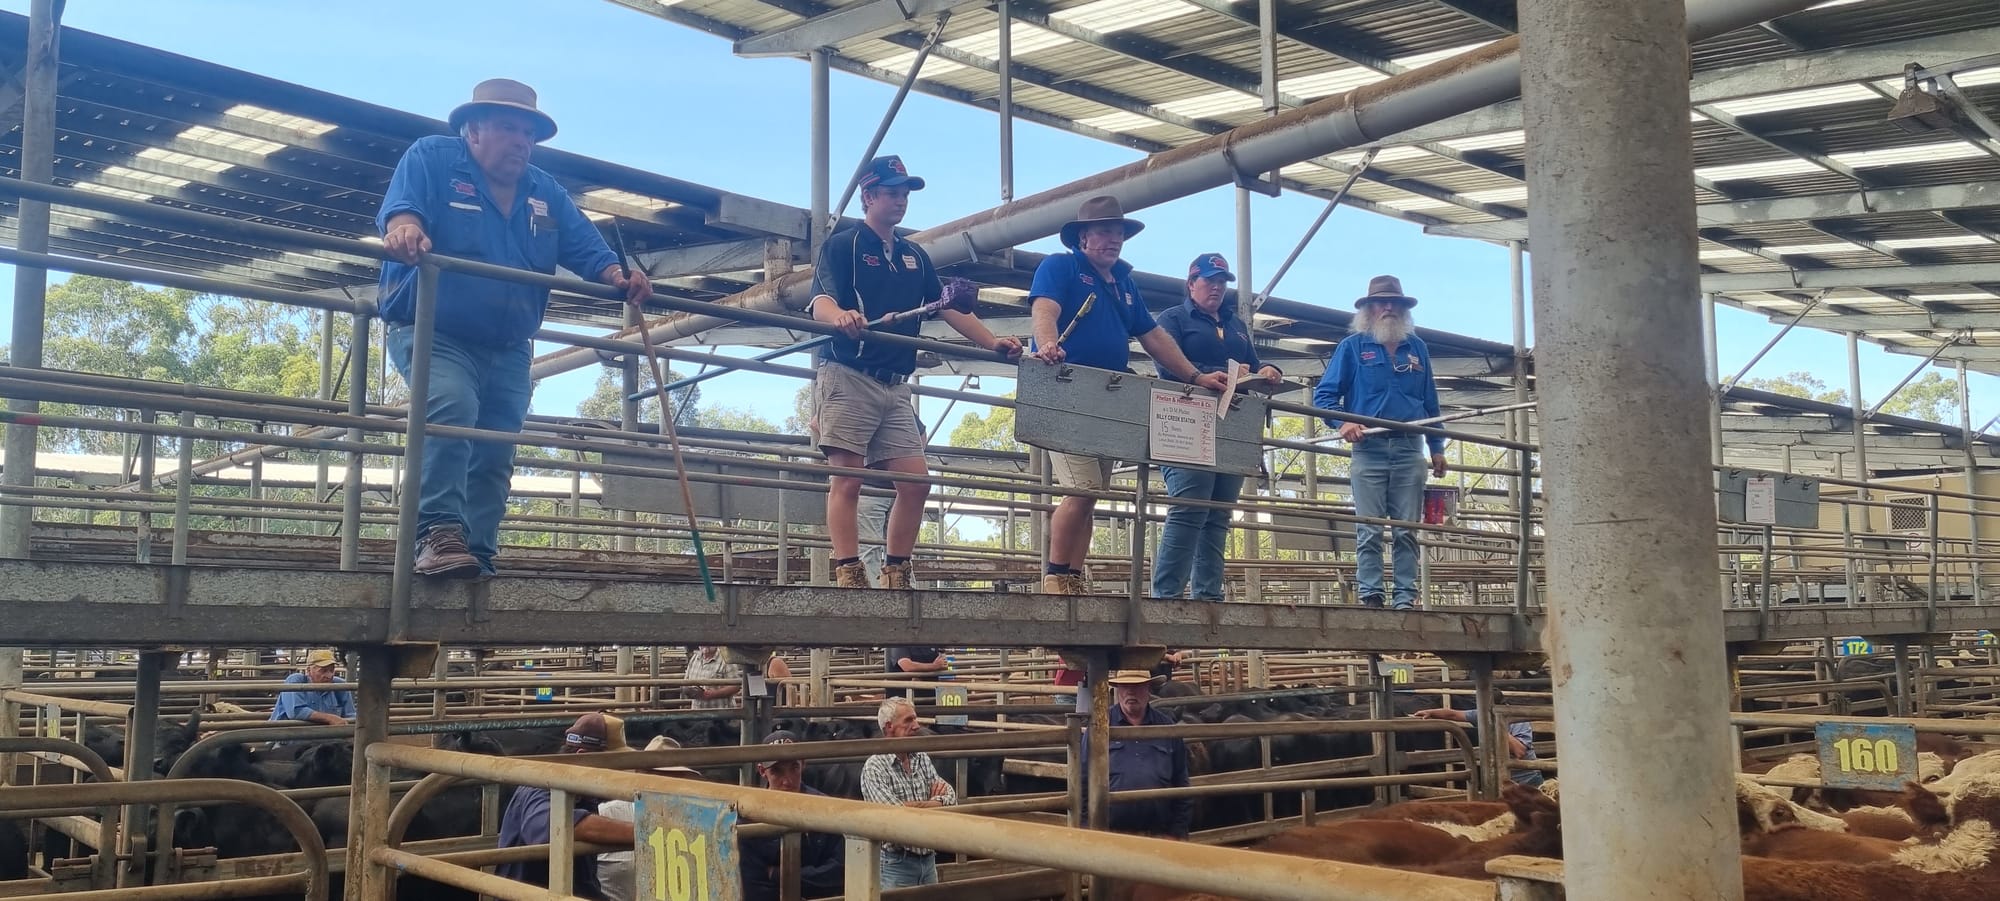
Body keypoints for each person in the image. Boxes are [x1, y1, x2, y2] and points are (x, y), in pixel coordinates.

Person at [376, 78, 654, 579]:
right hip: (434, 329)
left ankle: (477, 551)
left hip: (508, 345)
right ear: (472, 130)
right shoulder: (433, 159)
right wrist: (406, 230)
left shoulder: (544, 192)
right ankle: (437, 534)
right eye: (509, 127)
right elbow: (403, 211)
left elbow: (586, 246)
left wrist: (617, 274)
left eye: (528, 132)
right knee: (450, 410)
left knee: (498, 444)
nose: (522, 142)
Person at [808, 155, 1020, 590]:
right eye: (892, 192)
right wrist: (841, 315)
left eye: (905, 193)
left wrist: (993, 343)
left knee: (916, 481)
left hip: (895, 383)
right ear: (868, 197)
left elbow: (950, 307)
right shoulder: (844, 244)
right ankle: (848, 569)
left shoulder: (913, 255)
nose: (900, 200)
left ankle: (896, 569)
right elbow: (820, 300)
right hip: (850, 372)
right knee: (848, 477)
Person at [1026, 196, 1229, 595]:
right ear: (1082, 237)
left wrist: (1193, 375)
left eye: (1118, 233)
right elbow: (1044, 310)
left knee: (1093, 492)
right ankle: (1054, 575)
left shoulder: (1123, 283)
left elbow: (1152, 335)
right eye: (1104, 232)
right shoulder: (1061, 266)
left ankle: (1072, 576)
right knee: (1083, 488)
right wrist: (1047, 344)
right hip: (1067, 388)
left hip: (1108, 396)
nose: (1113, 240)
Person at [1149, 253, 1283, 602]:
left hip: (1231, 423)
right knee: (1190, 505)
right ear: (1192, 284)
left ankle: (1208, 595)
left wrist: (1266, 371)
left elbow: (1251, 364)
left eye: (1222, 281)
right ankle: (1167, 595)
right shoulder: (1173, 319)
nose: (1218, 287)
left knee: (1220, 512)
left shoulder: (1236, 324)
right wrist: (1205, 374)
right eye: (1210, 280)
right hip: (1187, 418)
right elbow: (1166, 366)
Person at [1312, 275, 1447, 610]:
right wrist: (1343, 421)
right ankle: (1371, 593)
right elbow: (1324, 397)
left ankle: (1405, 596)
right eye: (1381, 302)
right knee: (1369, 528)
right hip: (1369, 448)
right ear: (1369, 309)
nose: (1388, 307)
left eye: (1395, 302)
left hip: (1408, 447)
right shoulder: (1352, 348)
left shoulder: (1417, 348)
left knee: (1406, 529)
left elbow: (1430, 402)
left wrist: (1437, 447)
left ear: (1403, 308)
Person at [496, 713, 634, 897]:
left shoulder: (584, 796)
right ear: (583, 757)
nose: (617, 774)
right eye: (612, 766)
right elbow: (552, 824)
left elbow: (585, 881)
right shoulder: (541, 785)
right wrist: (641, 833)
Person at [860, 697, 958, 887]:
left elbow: (951, 797)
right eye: (908, 721)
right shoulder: (874, 766)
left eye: (915, 719)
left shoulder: (920, 757)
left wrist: (914, 806)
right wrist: (933, 803)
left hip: (928, 859)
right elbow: (893, 815)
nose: (916, 725)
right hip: (896, 863)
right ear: (889, 727)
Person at [740, 730, 846, 901]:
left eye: (793, 768)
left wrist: (776, 875)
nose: (787, 781)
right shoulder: (749, 815)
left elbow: (839, 872)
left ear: (803, 764)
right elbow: (753, 884)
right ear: (762, 770)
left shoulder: (825, 807)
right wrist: (811, 878)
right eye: (776, 771)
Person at [595, 735, 704, 901]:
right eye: (659, 775)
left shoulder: (696, 820)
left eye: (678, 777)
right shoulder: (606, 814)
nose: (669, 783)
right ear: (640, 774)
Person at [1088, 670, 1192, 839]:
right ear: (1117, 689)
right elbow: (1083, 780)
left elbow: (1181, 783)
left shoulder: (1167, 727)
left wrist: (1175, 832)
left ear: (1148, 688)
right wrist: (1089, 830)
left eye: (1137, 686)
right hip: (1110, 834)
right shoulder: (1099, 725)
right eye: (1125, 686)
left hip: (1159, 834)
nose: (1130, 692)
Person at [1412, 706, 1544, 787]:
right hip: (1498, 780)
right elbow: (1453, 714)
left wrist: (1495, 725)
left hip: (1526, 780)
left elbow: (1519, 751)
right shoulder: (1483, 713)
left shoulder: (1518, 720)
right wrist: (1430, 712)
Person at [269, 650, 355, 724]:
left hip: (328, 739)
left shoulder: (339, 686)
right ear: (309, 671)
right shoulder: (296, 680)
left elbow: (350, 715)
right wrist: (330, 718)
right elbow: (295, 711)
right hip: (290, 739)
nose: (329, 675)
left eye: (331, 670)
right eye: (323, 671)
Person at [682, 645, 742, 709]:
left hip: (721, 712)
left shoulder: (726, 659)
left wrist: (712, 694)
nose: (705, 644)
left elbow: (736, 686)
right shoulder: (695, 658)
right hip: (697, 711)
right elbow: (686, 681)